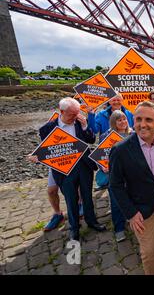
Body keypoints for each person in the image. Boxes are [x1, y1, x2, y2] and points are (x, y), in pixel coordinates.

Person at [109, 101, 154, 275]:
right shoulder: (120, 149)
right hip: (140, 209)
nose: (142, 124)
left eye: (148, 120)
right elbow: (115, 185)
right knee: (148, 250)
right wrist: (130, 213)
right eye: (138, 119)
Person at [39, 97, 106, 241]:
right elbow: (47, 151)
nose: (75, 117)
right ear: (61, 111)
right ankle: (74, 228)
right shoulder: (47, 129)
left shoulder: (79, 122)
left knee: (87, 196)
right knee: (71, 199)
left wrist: (84, 126)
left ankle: (92, 221)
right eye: (71, 115)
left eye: (77, 113)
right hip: (64, 170)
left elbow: (91, 140)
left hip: (83, 166)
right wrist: (37, 156)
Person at [87, 93, 134, 190]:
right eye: (113, 100)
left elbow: (131, 130)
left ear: (122, 100)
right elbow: (94, 130)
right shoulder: (101, 114)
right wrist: (91, 115)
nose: (116, 102)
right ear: (109, 101)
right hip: (107, 147)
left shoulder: (129, 113)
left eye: (118, 100)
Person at [99, 110, 132, 242]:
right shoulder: (106, 136)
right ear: (113, 122)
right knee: (116, 202)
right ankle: (119, 229)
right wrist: (102, 166)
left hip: (131, 174)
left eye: (124, 119)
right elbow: (100, 155)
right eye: (119, 120)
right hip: (115, 175)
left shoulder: (133, 134)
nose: (123, 122)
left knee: (131, 199)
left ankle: (132, 220)